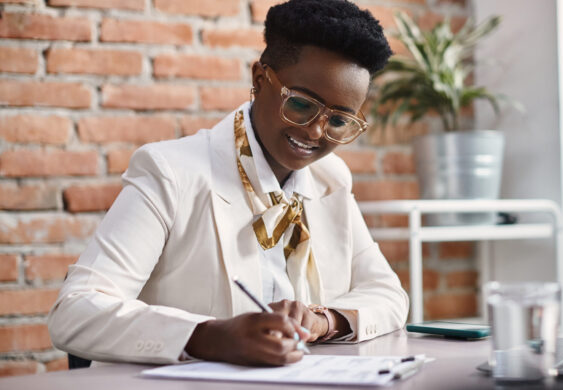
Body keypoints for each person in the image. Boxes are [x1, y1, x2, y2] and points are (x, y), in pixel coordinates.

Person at [48, 0, 409, 367]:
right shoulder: (171, 172)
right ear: (258, 79)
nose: (316, 131)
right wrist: (206, 336)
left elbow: (389, 294)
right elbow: (74, 312)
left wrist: (324, 319)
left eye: (339, 120)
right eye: (301, 105)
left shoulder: (330, 179)